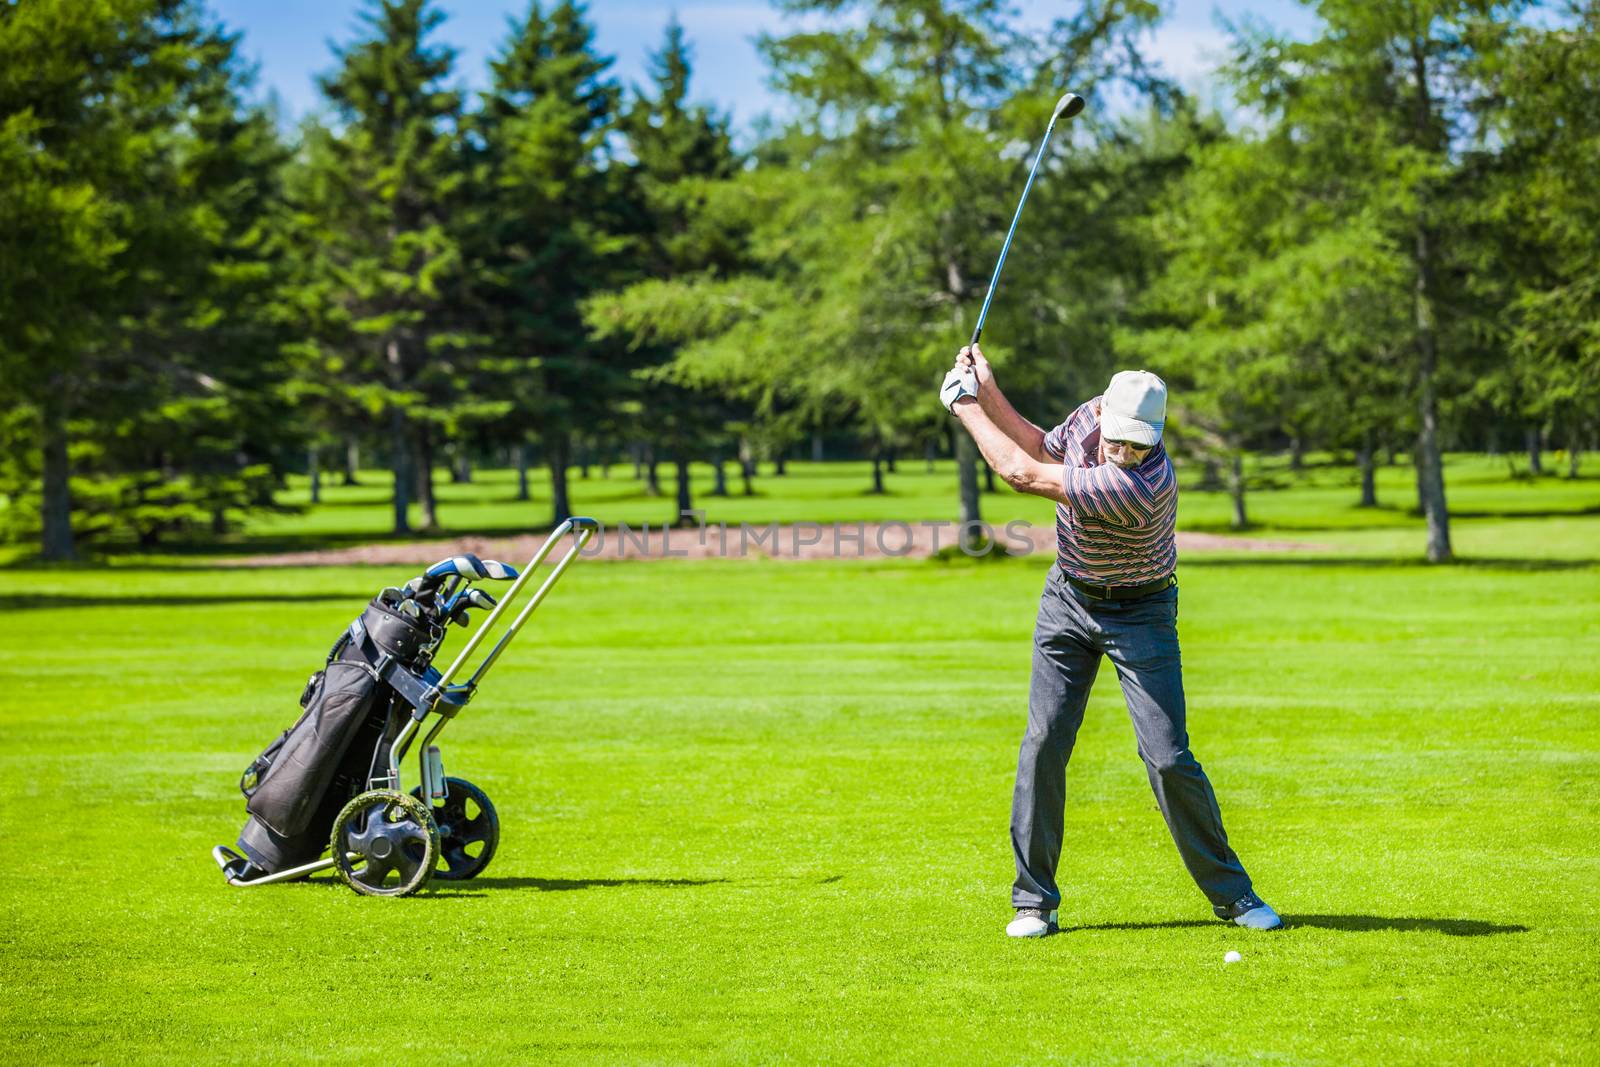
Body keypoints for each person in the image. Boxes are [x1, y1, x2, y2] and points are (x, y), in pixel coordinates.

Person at [939, 344, 1282, 938]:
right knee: (1044, 742)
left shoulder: (1140, 486)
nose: (1123, 452)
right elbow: (1041, 446)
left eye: (1137, 443)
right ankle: (1033, 902)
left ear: (1155, 438)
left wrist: (965, 407)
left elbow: (1022, 474)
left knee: (1168, 757)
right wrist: (987, 386)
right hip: (1067, 601)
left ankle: (1233, 895)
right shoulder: (1090, 416)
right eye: (1118, 439)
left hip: (1141, 611)